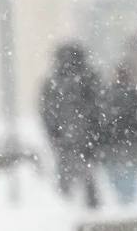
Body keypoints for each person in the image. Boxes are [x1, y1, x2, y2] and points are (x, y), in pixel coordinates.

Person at [40, 42, 103, 209]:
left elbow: (47, 114)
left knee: (66, 187)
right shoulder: (90, 78)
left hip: (65, 141)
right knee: (90, 184)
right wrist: (96, 135)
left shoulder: (52, 83)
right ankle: (92, 214)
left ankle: (69, 214)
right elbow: (100, 109)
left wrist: (55, 136)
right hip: (87, 141)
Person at [98, 63, 137, 206]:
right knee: (129, 178)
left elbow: (99, 120)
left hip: (111, 146)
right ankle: (128, 206)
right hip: (131, 145)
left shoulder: (107, 94)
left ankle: (120, 207)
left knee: (115, 179)